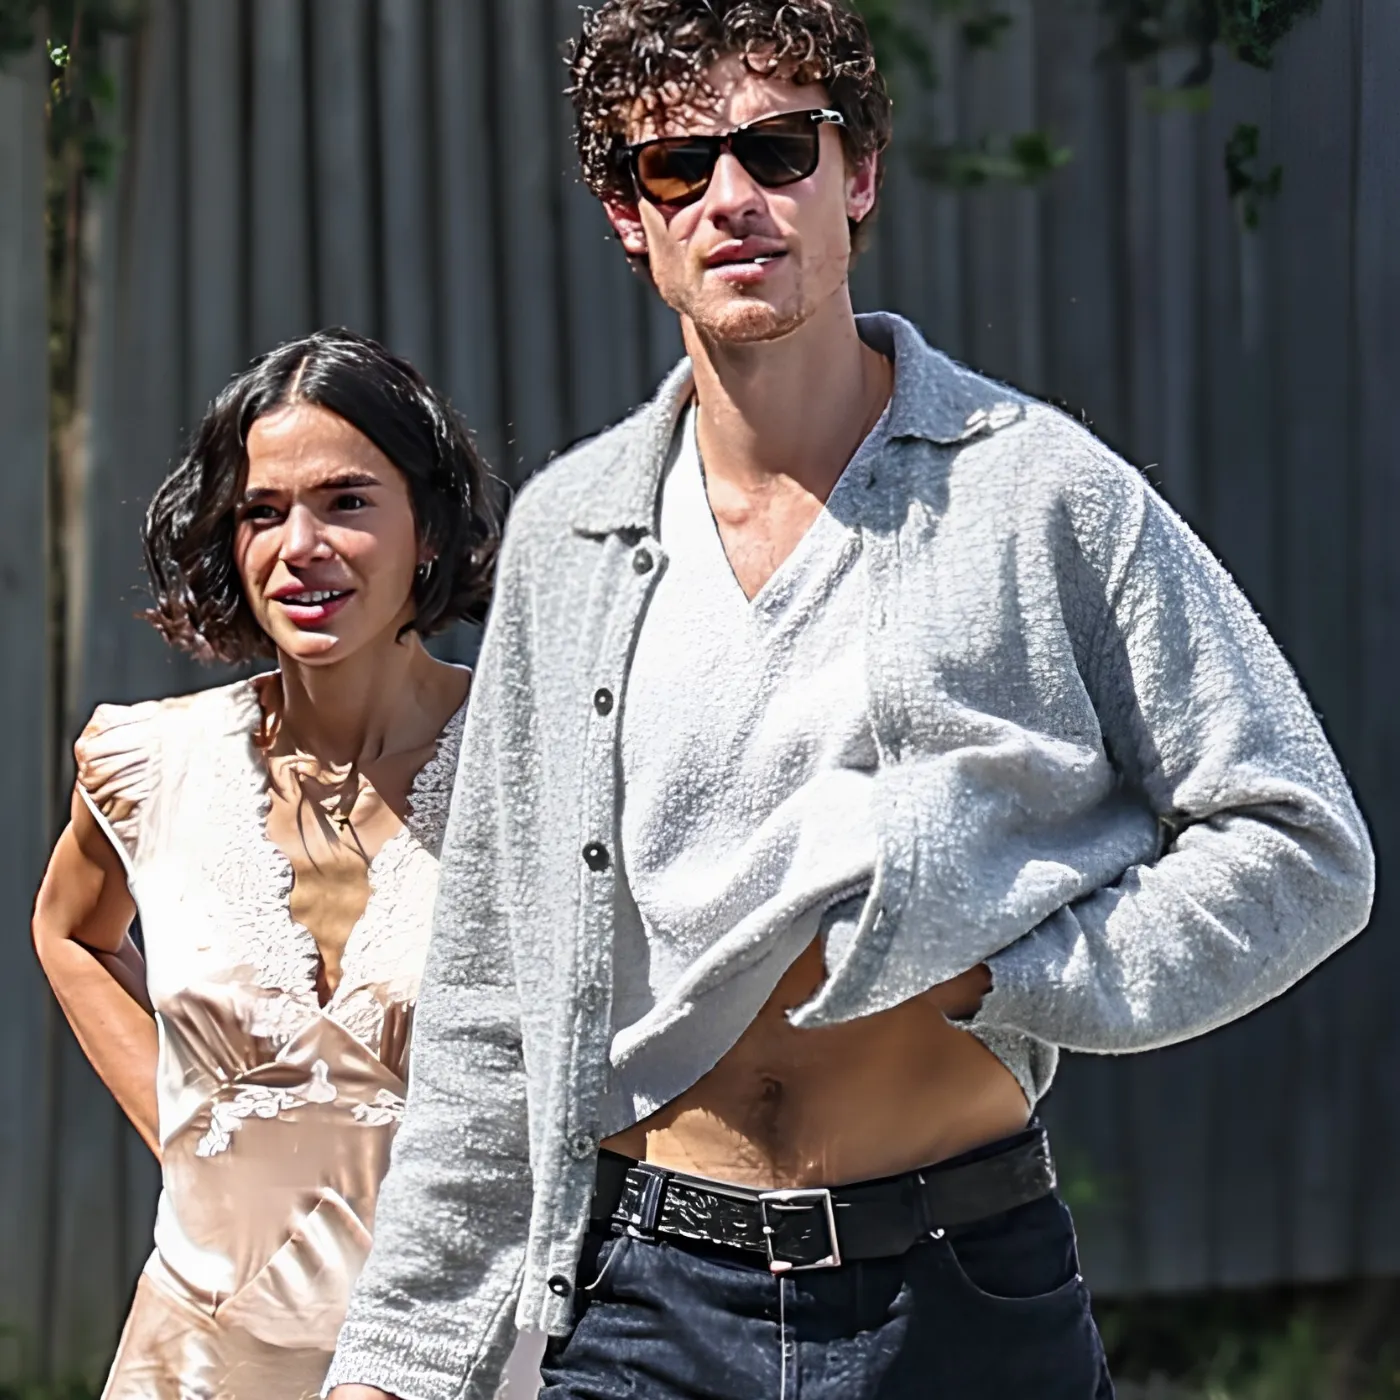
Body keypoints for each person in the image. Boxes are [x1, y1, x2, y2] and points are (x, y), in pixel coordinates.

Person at [324, 3, 1375, 1397]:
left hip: (957, 1291)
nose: (731, 199)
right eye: (676, 166)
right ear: (629, 215)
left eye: (778, 149)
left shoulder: (1036, 491)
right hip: (643, 1301)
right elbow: (490, 985)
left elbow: (1300, 845)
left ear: (857, 173)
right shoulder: (570, 534)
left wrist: (1011, 971)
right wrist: (397, 1360)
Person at [30, 329, 499, 1400]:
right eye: (261, 510)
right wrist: (187, 1131)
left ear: (428, 526)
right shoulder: (149, 766)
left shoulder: (535, 763)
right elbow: (69, 932)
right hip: (196, 1359)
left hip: (459, 1354)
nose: (301, 545)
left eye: (346, 502)